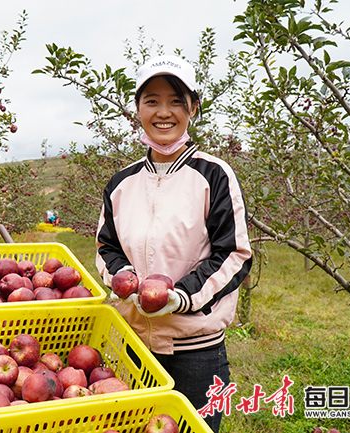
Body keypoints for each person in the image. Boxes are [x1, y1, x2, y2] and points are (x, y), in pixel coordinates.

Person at [95, 55, 253, 432]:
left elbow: (233, 254)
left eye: (176, 101)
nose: (163, 112)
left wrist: (181, 296)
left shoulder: (213, 175)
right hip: (132, 346)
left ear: (193, 108)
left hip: (196, 351)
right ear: (136, 109)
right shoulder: (122, 182)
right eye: (151, 100)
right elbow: (106, 247)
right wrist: (125, 277)